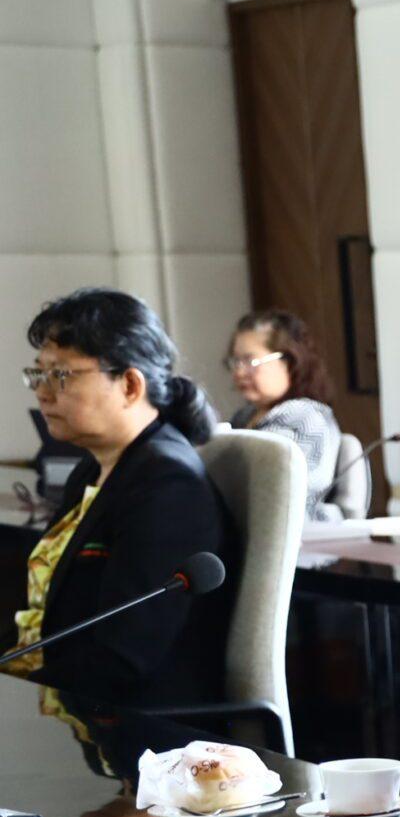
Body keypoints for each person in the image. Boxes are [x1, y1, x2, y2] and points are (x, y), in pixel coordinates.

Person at [7, 289, 234, 745]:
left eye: (61, 374)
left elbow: (123, 657)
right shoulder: (93, 470)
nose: (43, 392)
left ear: (130, 385)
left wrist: (17, 699)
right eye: (39, 373)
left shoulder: (168, 485)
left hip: (135, 737)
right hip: (70, 711)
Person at [225, 309, 344, 520]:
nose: (239, 372)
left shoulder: (304, 418)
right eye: (235, 362)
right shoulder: (243, 416)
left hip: (288, 532)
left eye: (250, 362)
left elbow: (269, 492)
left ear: (289, 361)